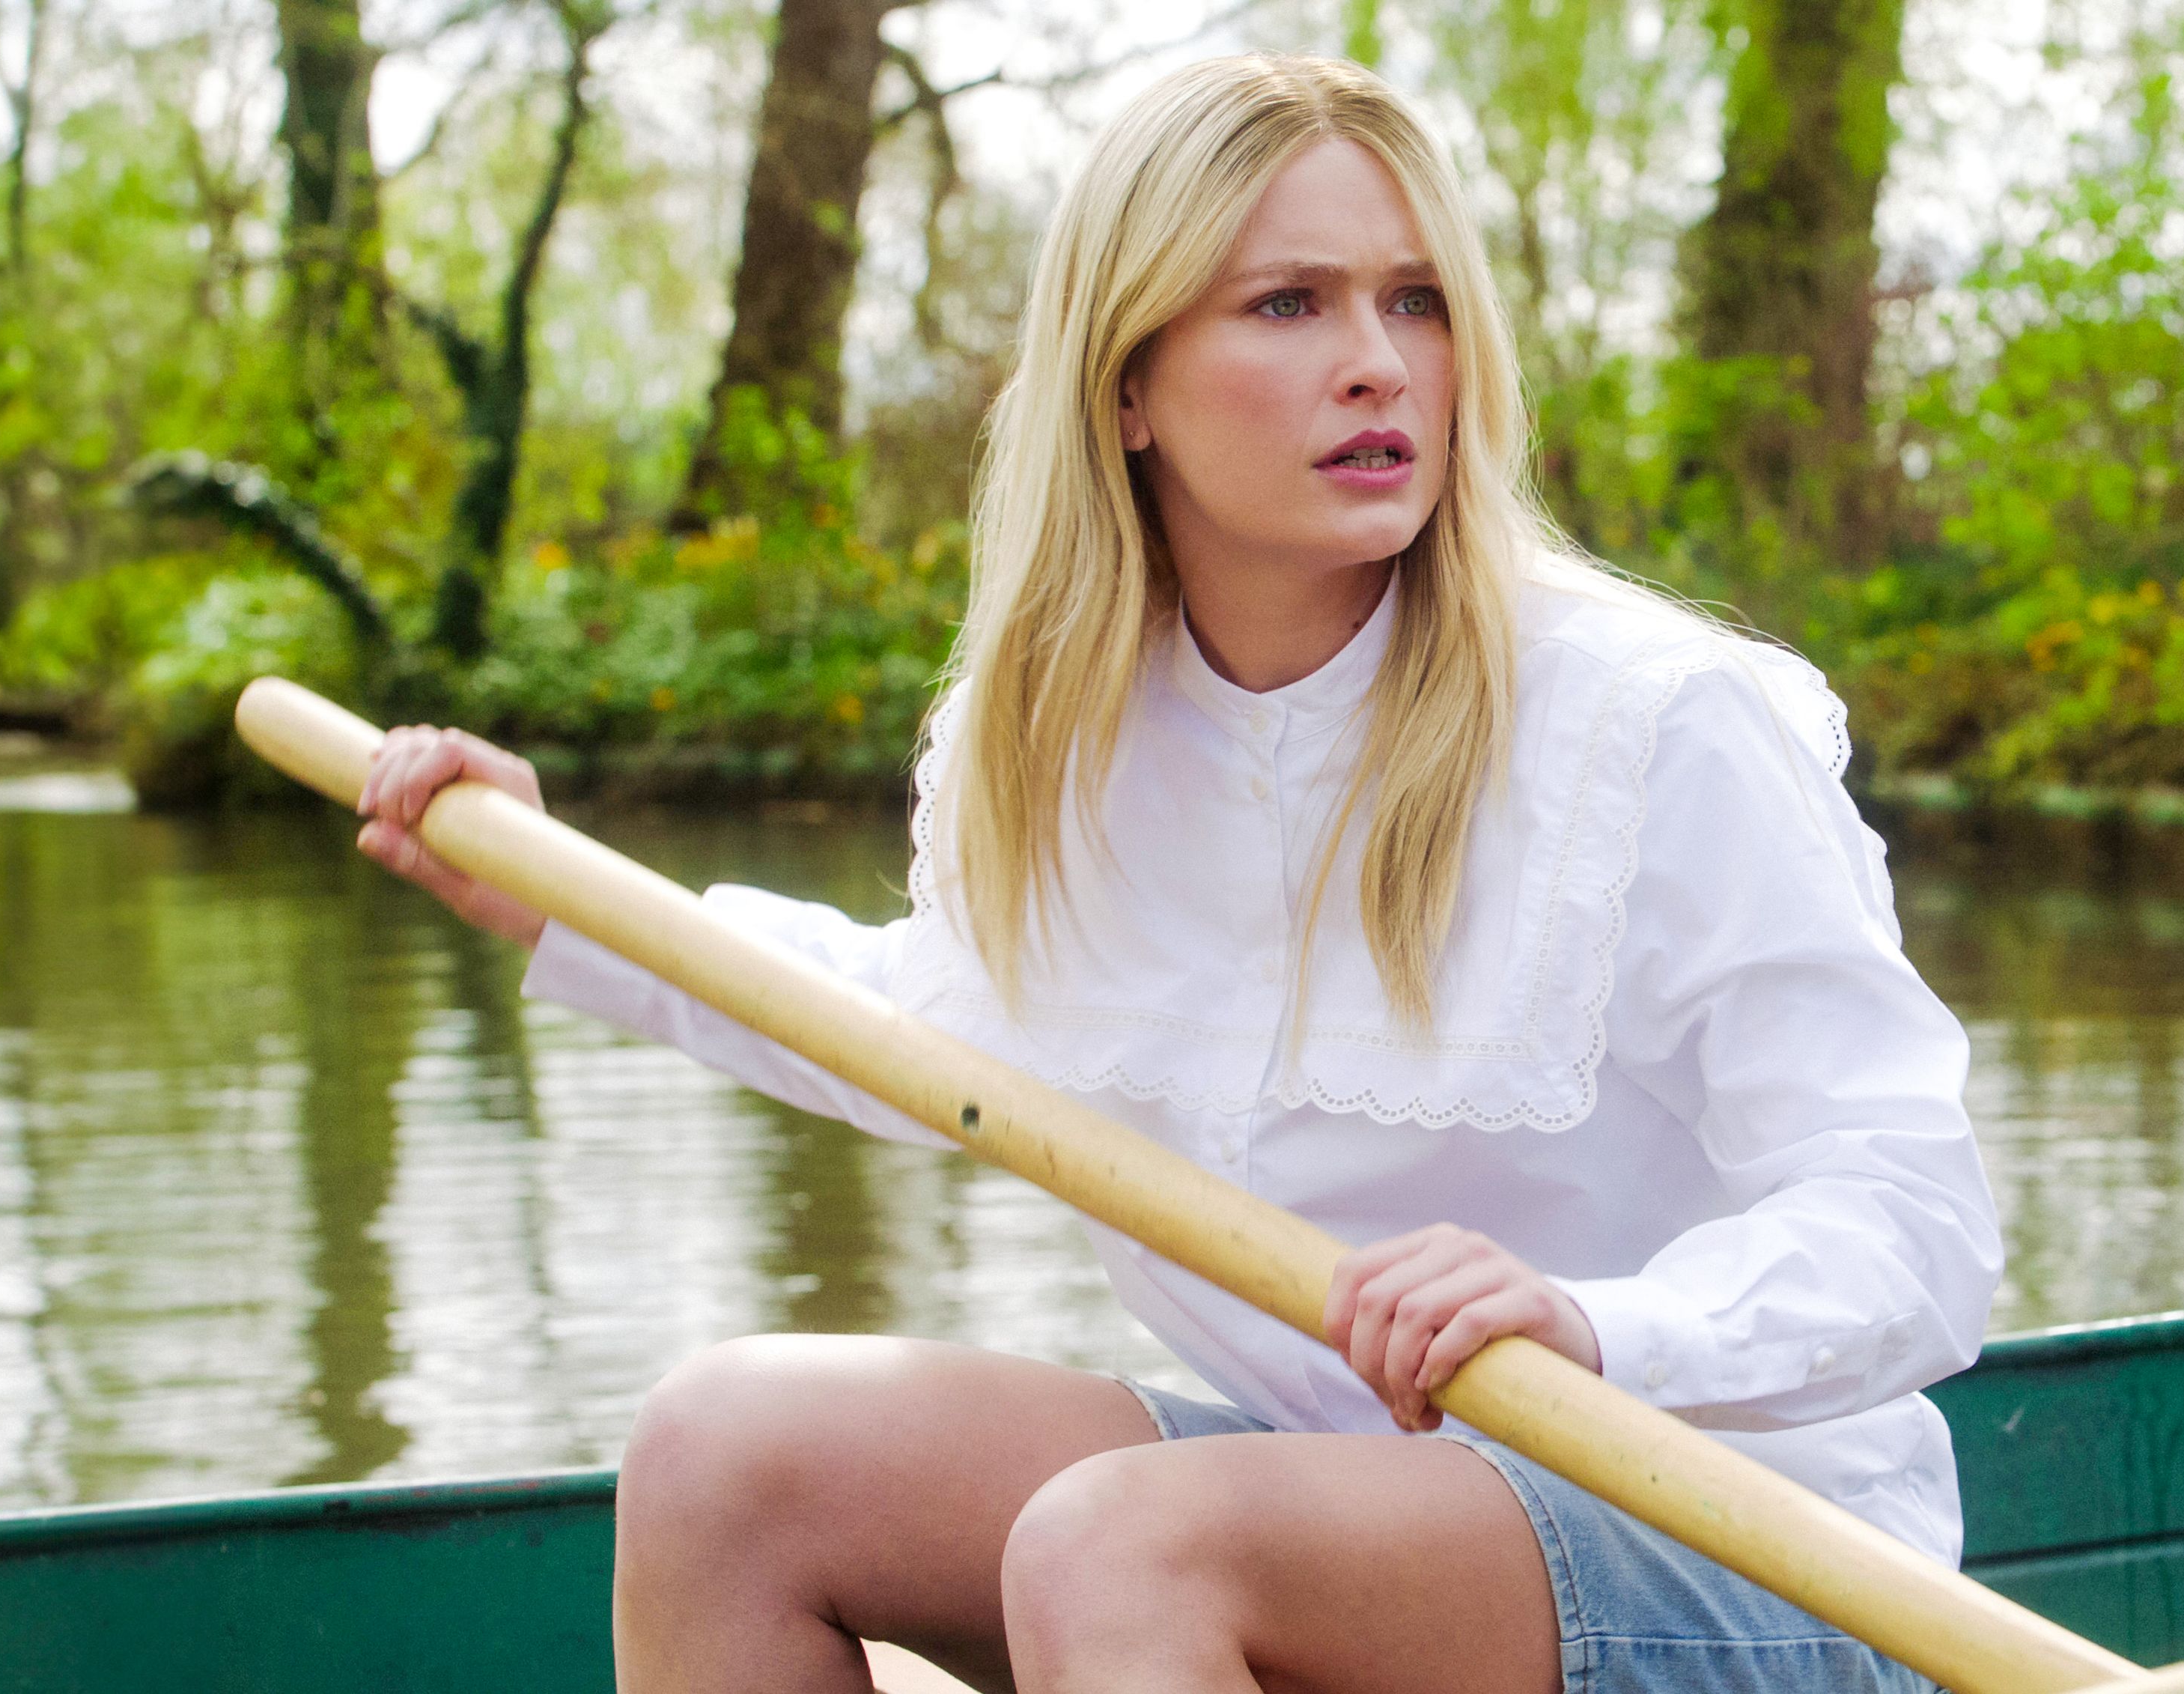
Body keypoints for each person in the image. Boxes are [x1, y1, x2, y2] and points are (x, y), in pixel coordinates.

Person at [352, 51, 1998, 1694]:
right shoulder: (1073, 738)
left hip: (1766, 1566)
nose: (1379, 368)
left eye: (1416, 303)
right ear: (1126, 384)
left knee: (1119, 1543)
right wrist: (558, 887)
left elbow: (1916, 1225)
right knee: (728, 1450)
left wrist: (1592, 1324)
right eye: (1290, 306)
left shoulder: (1656, 721)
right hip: (1334, 1503)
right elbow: (929, 1036)